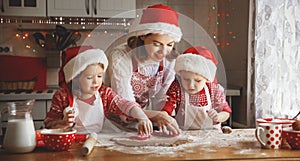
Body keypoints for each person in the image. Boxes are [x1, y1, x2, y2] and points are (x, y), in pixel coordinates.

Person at [106, 4, 182, 135]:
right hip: (110, 126)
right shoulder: (121, 56)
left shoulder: (169, 61)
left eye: (169, 45)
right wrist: (158, 115)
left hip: (142, 124)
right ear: (142, 35)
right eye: (156, 44)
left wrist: (164, 114)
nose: (163, 52)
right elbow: (125, 104)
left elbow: (162, 98)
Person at [44, 46, 153, 136]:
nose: (96, 82)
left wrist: (141, 117)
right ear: (75, 78)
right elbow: (49, 124)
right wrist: (63, 123)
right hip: (71, 143)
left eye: (99, 76)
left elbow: (125, 105)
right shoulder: (62, 96)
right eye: (89, 77)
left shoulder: (104, 94)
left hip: (97, 140)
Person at [162, 46, 232, 130]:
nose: (191, 85)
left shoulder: (214, 89)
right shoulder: (177, 87)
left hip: (212, 134)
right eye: (186, 79)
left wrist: (219, 116)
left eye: (198, 81)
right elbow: (168, 106)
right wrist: (165, 118)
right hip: (185, 134)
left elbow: (226, 112)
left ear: (206, 79)